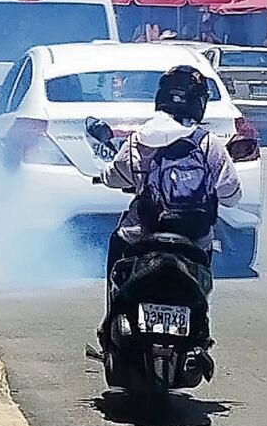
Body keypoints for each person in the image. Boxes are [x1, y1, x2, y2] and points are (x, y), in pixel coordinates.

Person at [99, 65, 242, 274]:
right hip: (196, 239)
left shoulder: (140, 138)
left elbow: (115, 177)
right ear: (199, 102)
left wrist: (103, 175)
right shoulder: (208, 142)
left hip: (141, 233)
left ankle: (113, 307)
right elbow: (231, 194)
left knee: (118, 242)